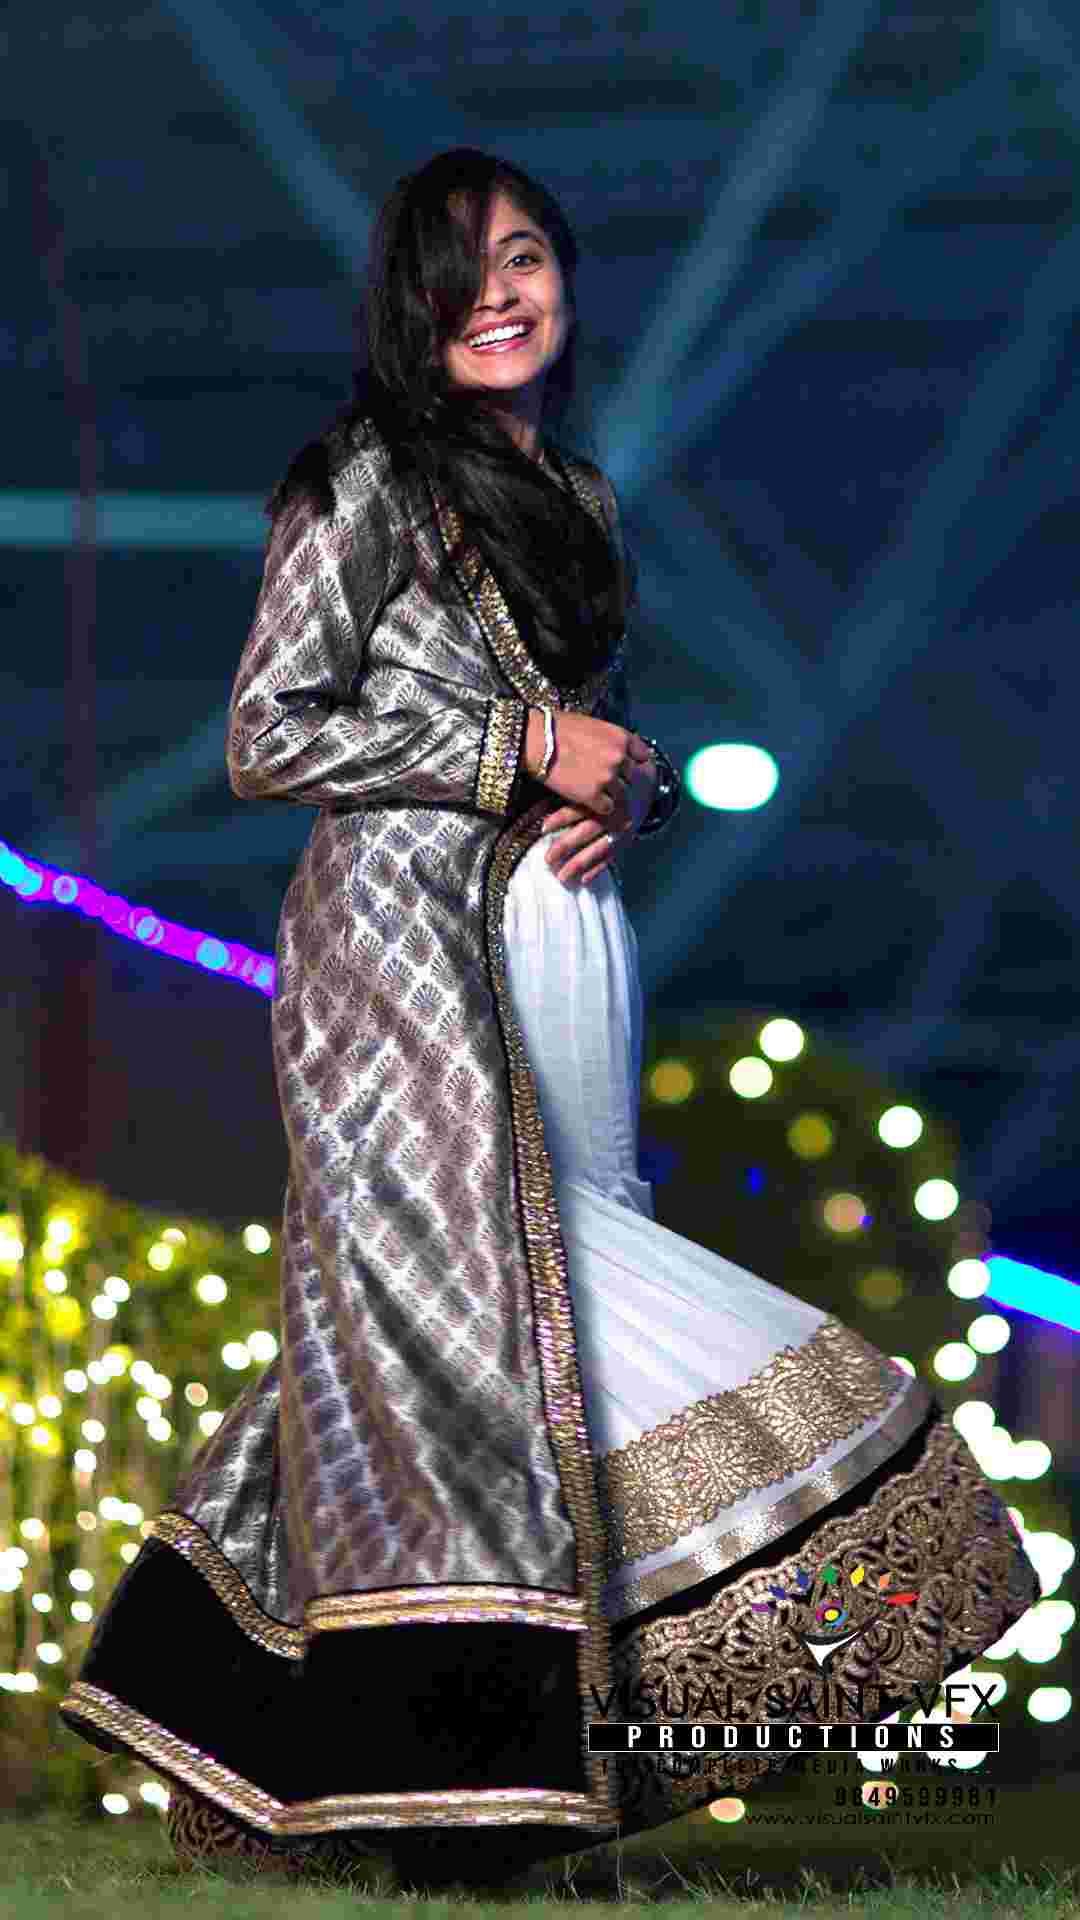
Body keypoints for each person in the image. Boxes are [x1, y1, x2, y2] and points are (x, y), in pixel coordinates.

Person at [58, 148, 1040, 1892]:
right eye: (457, 272)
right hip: (401, 957)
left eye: (522, 257)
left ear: (567, 277)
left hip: (567, 942)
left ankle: (320, 1739)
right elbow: (270, 733)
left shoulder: (571, 491)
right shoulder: (365, 477)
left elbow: (588, 721)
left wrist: (626, 781)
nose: (496, 296)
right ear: (408, 310)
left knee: (462, 1336)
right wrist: (516, 750)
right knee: (469, 1318)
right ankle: (438, 1779)